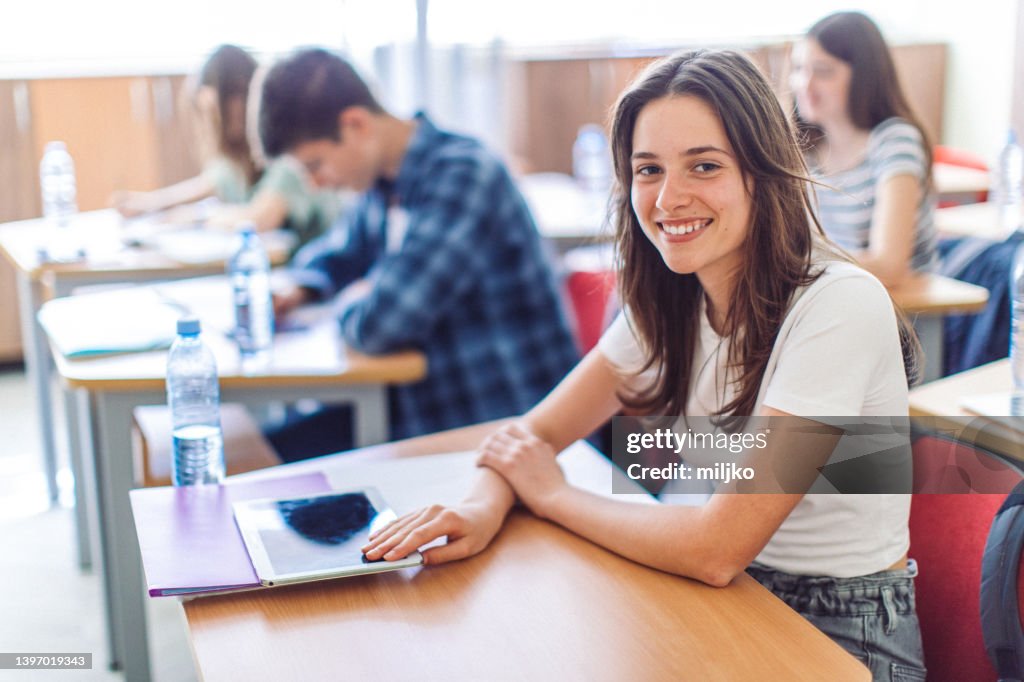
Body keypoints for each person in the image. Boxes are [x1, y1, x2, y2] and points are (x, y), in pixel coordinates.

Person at [363, 49, 927, 681]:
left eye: (704, 166)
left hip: (840, 630)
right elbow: (534, 434)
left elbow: (717, 549)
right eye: (648, 169)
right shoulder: (672, 297)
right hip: (724, 597)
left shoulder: (838, 304)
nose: (668, 198)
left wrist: (549, 495)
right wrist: (481, 506)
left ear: (764, 174)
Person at [258, 48, 578, 460]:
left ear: (354, 125)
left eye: (315, 164)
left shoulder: (462, 174)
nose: (316, 184)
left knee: (282, 466)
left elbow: (381, 325)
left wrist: (353, 299)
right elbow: (335, 255)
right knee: (272, 449)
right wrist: (302, 290)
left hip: (503, 428)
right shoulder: (382, 183)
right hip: (424, 410)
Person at [111, 44, 338, 249]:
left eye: (212, 111)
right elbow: (209, 183)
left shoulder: (284, 152)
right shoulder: (236, 162)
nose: (211, 125)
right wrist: (148, 204)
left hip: (315, 281)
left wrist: (199, 216)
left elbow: (260, 218)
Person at [790, 11, 937, 286]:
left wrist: (792, 266)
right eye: (798, 69)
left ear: (863, 77)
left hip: (899, 308)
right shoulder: (804, 149)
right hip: (835, 290)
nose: (804, 84)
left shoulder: (894, 140)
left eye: (823, 71)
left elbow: (889, 265)